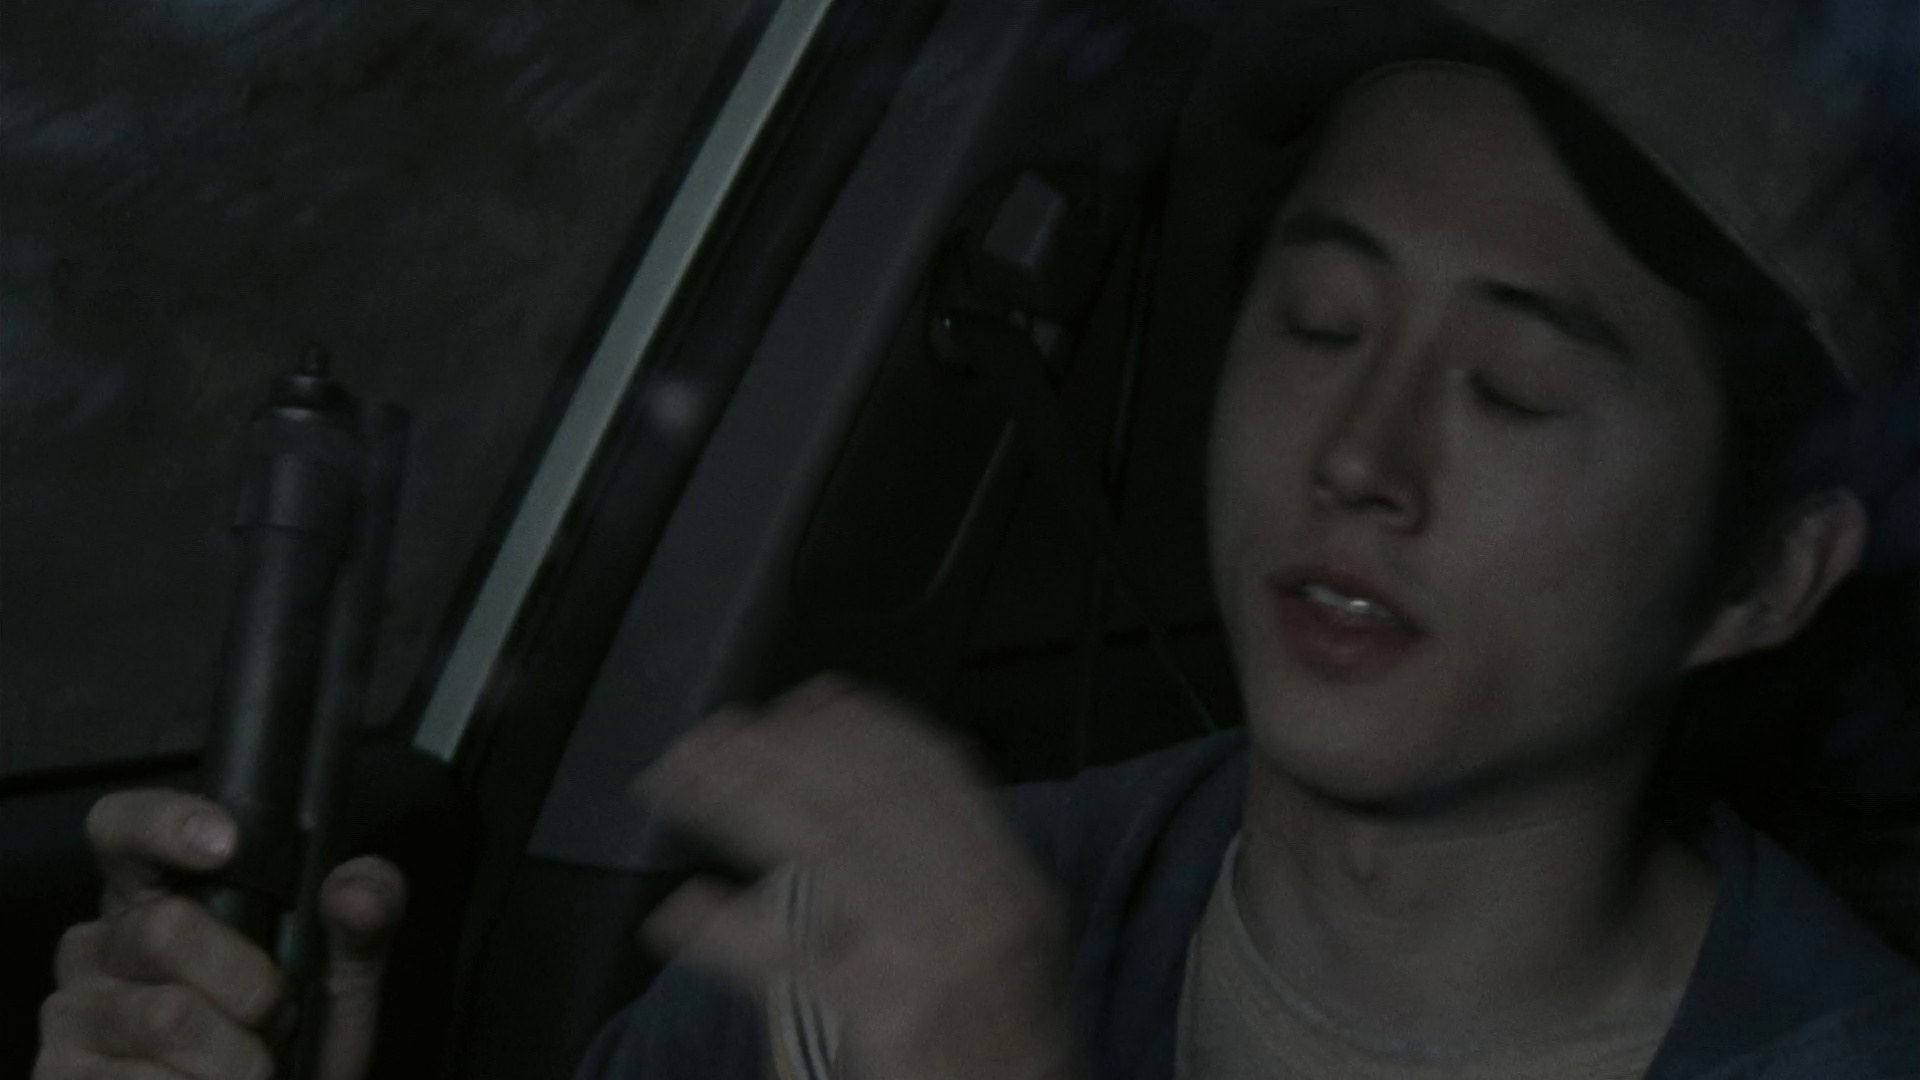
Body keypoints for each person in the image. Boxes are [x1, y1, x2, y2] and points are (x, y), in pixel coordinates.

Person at [34, 1, 1920, 1078]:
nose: (1362, 455)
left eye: (1511, 389)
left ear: (1765, 576)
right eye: (1319, 322)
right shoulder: (890, 933)